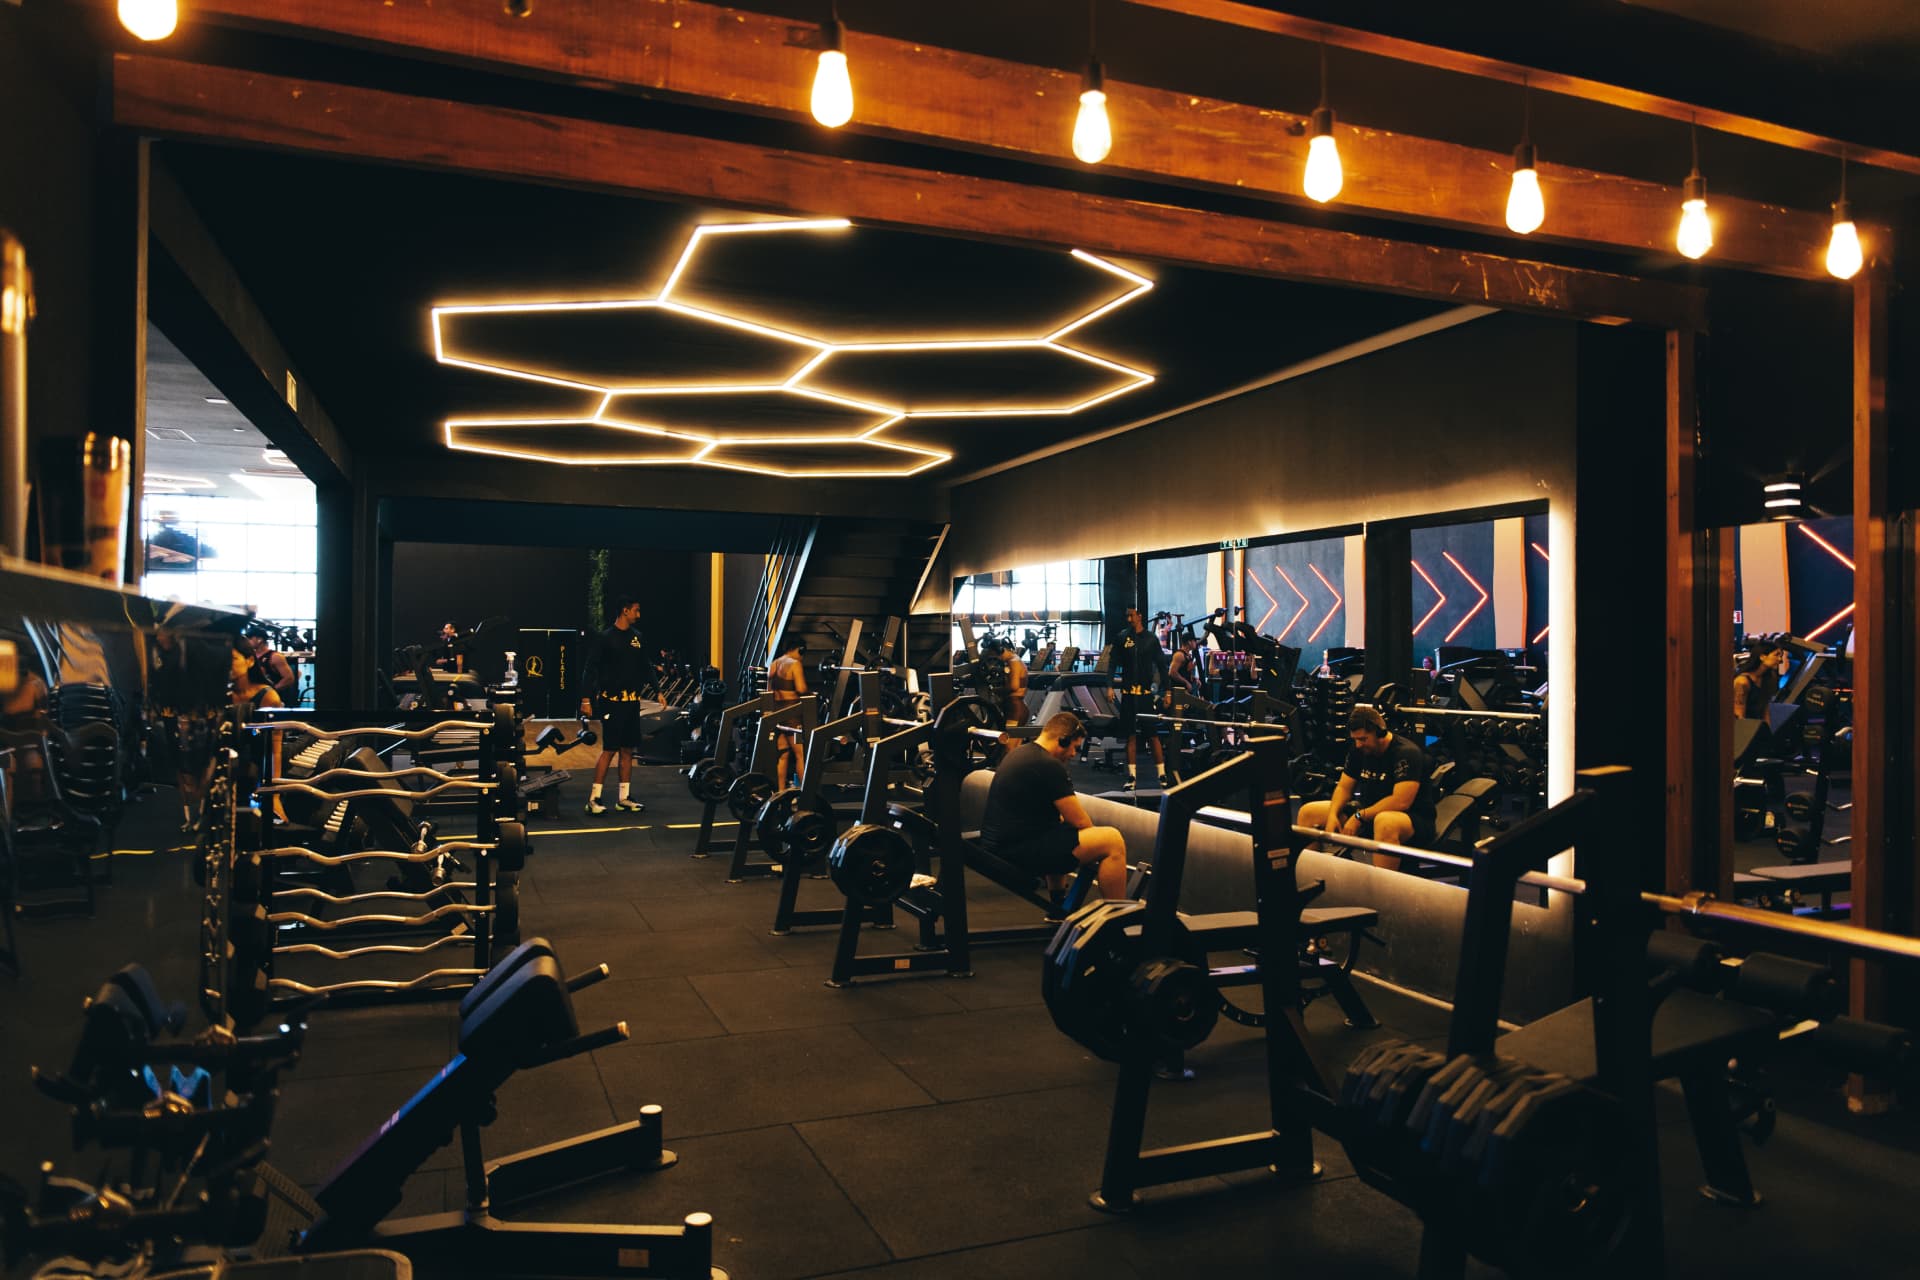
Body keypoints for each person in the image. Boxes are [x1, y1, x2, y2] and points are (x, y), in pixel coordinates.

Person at [979, 711, 1129, 905]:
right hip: (1016, 853)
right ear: (1063, 740)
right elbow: (1081, 822)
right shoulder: (1048, 765)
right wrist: (1093, 850)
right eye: (1074, 747)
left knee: (1060, 829)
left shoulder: (1020, 753)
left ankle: (1057, 907)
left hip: (999, 847)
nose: (1073, 754)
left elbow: (1060, 822)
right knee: (1111, 840)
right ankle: (1117, 913)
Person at [1298, 706, 1436, 871]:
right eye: (1355, 739)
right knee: (1308, 813)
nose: (1358, 744)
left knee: (1385, 822)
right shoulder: (1359, 750)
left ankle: (1383, 885)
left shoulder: (1406, 753)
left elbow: (1401, 802)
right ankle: (1312, 877)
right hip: (1367, 813)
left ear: (1380, 733)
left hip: (1413, 819)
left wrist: (1359, 817)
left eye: (1363, 739)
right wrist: (1333, 815)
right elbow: (1344, 787)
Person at [578, 596, 650, 815]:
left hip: (631, 703)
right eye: (636, 610)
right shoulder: (605, 638)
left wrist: (658, 690)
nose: (639, 615)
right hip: (611, 703)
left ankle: (624, 798)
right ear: (625, 611)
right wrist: (585, 699)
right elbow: (589, 669)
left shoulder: (637, 637)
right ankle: (593, 799)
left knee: (627, 750)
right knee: (609, 750)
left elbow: (645, 666)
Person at [1110, 605, 1171, 791]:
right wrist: (1109, 686)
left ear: (1140, 616)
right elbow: (1112, 663)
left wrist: (1168, 691)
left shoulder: (1151, 639)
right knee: (1131, 736)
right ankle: (1132, 777)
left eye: (1132, 615)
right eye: (1127, 616)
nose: (1129, 619)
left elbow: (1162, 666)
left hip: (1145, 696)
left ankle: (1162, 775)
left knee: (1152, 736)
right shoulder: (1122, 637)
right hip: (1129, 695)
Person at [766, 635, 808, 789]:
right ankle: (806, 792)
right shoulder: (795, 664)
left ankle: (780, 792)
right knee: (801, 754)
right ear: (799, 649)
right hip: (793, 716)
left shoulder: (774, 664)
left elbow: (768, 692)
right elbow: (801, 689)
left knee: (783, 755)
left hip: (777, 713)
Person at [1733, 637, 1787, 721]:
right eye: (1776, 655)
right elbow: (1739, 716)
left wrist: (1766, 728)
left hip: (1757, 725)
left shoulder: (1769, 678)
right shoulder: (1742, 682)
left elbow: (1765, 710)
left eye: (1780, 656)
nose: (1780, 660)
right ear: (1762, 657)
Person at [245, 629, 298, 703]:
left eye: (250, 639)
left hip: (272, 700)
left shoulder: (275, 657)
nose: (247, 642)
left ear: (259, 640)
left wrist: (270, 692)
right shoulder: (250, 656)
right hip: (254, 699)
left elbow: (289, 679)